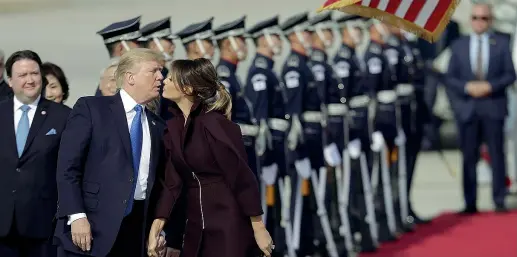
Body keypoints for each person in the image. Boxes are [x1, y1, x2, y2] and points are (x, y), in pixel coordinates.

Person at [147, 58, 273, 257]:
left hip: (228, 224)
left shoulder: (216, 125)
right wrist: (158, 223)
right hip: (195, 226)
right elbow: (172, 183)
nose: (165, 81)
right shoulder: (173, 128)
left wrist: (259, 228)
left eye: (171, 78)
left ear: (187, 89)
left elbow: (241, 177)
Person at [54, 48, 167, 257]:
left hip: (136, 233)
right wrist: (76, 215)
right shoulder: (91, 108)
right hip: (89, 231)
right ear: (130, 77)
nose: (161, 77)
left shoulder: (157, 125)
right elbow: (68, 167)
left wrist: (160, 231)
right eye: (154, 71)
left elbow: (160, 183)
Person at [445, 3, 516, 214]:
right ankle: (469, 202)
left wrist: (490, 86)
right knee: (468, 156)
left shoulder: (501, 44)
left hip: (493, 106)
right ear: (470, 20)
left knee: (497, 154)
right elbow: (450, 77)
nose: (479, 22)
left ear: (490, 21)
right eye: (476, 18)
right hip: (468, 108)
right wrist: (467, 87)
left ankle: (499, 198)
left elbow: (510, 75)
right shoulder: (459, 45)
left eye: (484, 18)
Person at [0, 50, 71, 257]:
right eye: (22, 75)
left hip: (43, 226)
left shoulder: (63, 116)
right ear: (10, 81)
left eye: (34, 73)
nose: (30, 80)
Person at [245, 15, 288, 257]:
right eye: (275, 37)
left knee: (278, 205)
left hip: (277, 148)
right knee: (269, 207)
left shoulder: (269, 70)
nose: (279, 42)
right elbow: (260, 121)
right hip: (269, 151)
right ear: (264, 40)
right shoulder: (260, 72)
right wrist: (267, 156)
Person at [280, 12, 317, 257]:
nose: (311, 37)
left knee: (309, 197)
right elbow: (294, 111)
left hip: (312, 139)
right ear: (294, 36)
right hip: (301, 141)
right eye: (307, 33)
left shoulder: (304, 63)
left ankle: (305, 243)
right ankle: (294, 246)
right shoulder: (294, 66)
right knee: (295, 198)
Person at [214, 16, 259, 178]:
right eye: (241, 41)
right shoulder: (224, 75)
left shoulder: (232, 74)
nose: (245, 46)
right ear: (227, 44)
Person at [139, 17, 177, 119]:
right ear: (153, 45)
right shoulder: (147, 75)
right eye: (168, 40)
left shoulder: (165, 71)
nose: (173, 46)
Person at [95, 16, 143, 96]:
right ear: (121, 48)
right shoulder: (120, 78)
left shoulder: (105, 79)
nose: (141, 47)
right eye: (136, 43)